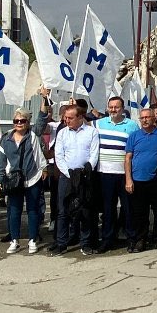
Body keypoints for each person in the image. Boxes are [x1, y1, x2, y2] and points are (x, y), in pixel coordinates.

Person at [0, 109, 48, 255]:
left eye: (22, 121)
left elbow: (42, 120)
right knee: (14, 211)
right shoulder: (6, 139)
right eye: (16, 121)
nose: (19, 123)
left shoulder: (33, 135)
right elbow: (0, 161)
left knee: (32, 210)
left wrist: (44, 100)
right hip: (13, 180)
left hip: (32, 178)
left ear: (27, 122)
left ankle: (32, 239)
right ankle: (14, 240)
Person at [53, 103, 99, 255]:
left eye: (70, 118)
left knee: (85, 210)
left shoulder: (91, 132)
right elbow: (58, 156)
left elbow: (94, 153)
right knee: (63, 211)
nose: (66, 120)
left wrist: (86, 170)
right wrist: (69, 173)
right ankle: (61, 243)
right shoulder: (62, 133)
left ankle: (85, 243)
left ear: (80, 117)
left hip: (85, 177)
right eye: (65, 118)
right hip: (67, 177)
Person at [95, 96, 139, 252]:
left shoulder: (132, 125)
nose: (113, 110)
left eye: (116, 107)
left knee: (128, 208)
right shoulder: (99, 124)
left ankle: (132, 239)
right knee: (108, 209)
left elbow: (135, 149)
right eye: (111, 107)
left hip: (124, 174)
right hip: (105, 173)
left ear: (122, 108)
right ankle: (107, 239)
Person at [125, 107, 157, 252]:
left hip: (156, 181)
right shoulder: (134, 136)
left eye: (147, 117)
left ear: (153, 118)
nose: (144, 120)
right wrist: (128, 180)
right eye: (142, 118)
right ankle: (140, 240)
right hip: (137, 180)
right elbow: (128, 159)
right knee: (140, 213)